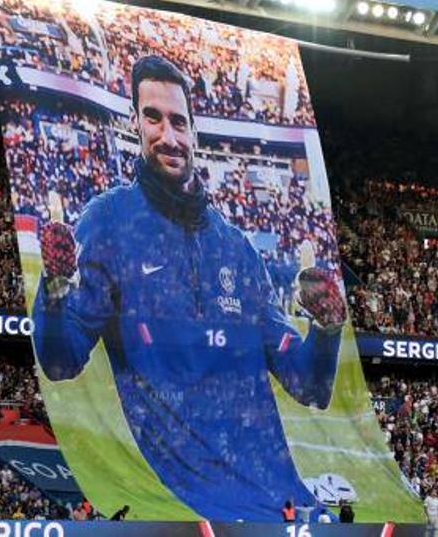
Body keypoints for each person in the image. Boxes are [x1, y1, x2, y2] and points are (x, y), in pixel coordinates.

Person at [33, 55, 347, 521]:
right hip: (177, 507)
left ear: (195, 133)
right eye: (153, 118)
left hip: (271, 504)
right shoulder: (111, 220)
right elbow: (62, 360)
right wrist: (55, 291)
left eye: (179, 121)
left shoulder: (237, 249)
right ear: (135, 124)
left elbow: (309, 387)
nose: (169, 135)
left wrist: (325, 330)